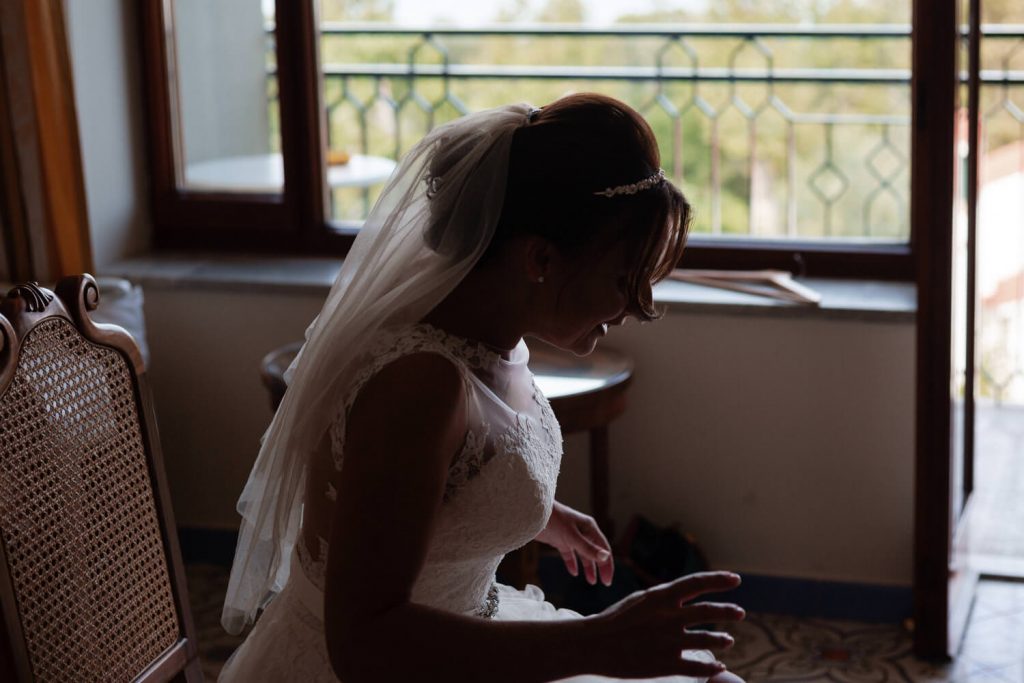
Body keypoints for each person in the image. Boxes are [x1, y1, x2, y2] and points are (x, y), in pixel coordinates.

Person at [219, 93, 746, 682]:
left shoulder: (490, 338)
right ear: (540, 258)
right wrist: (597, 642)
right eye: (626, 279)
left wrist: (535, 511)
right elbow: (364, 643)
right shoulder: (419, 386)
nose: (638, 308)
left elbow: (446, 476)